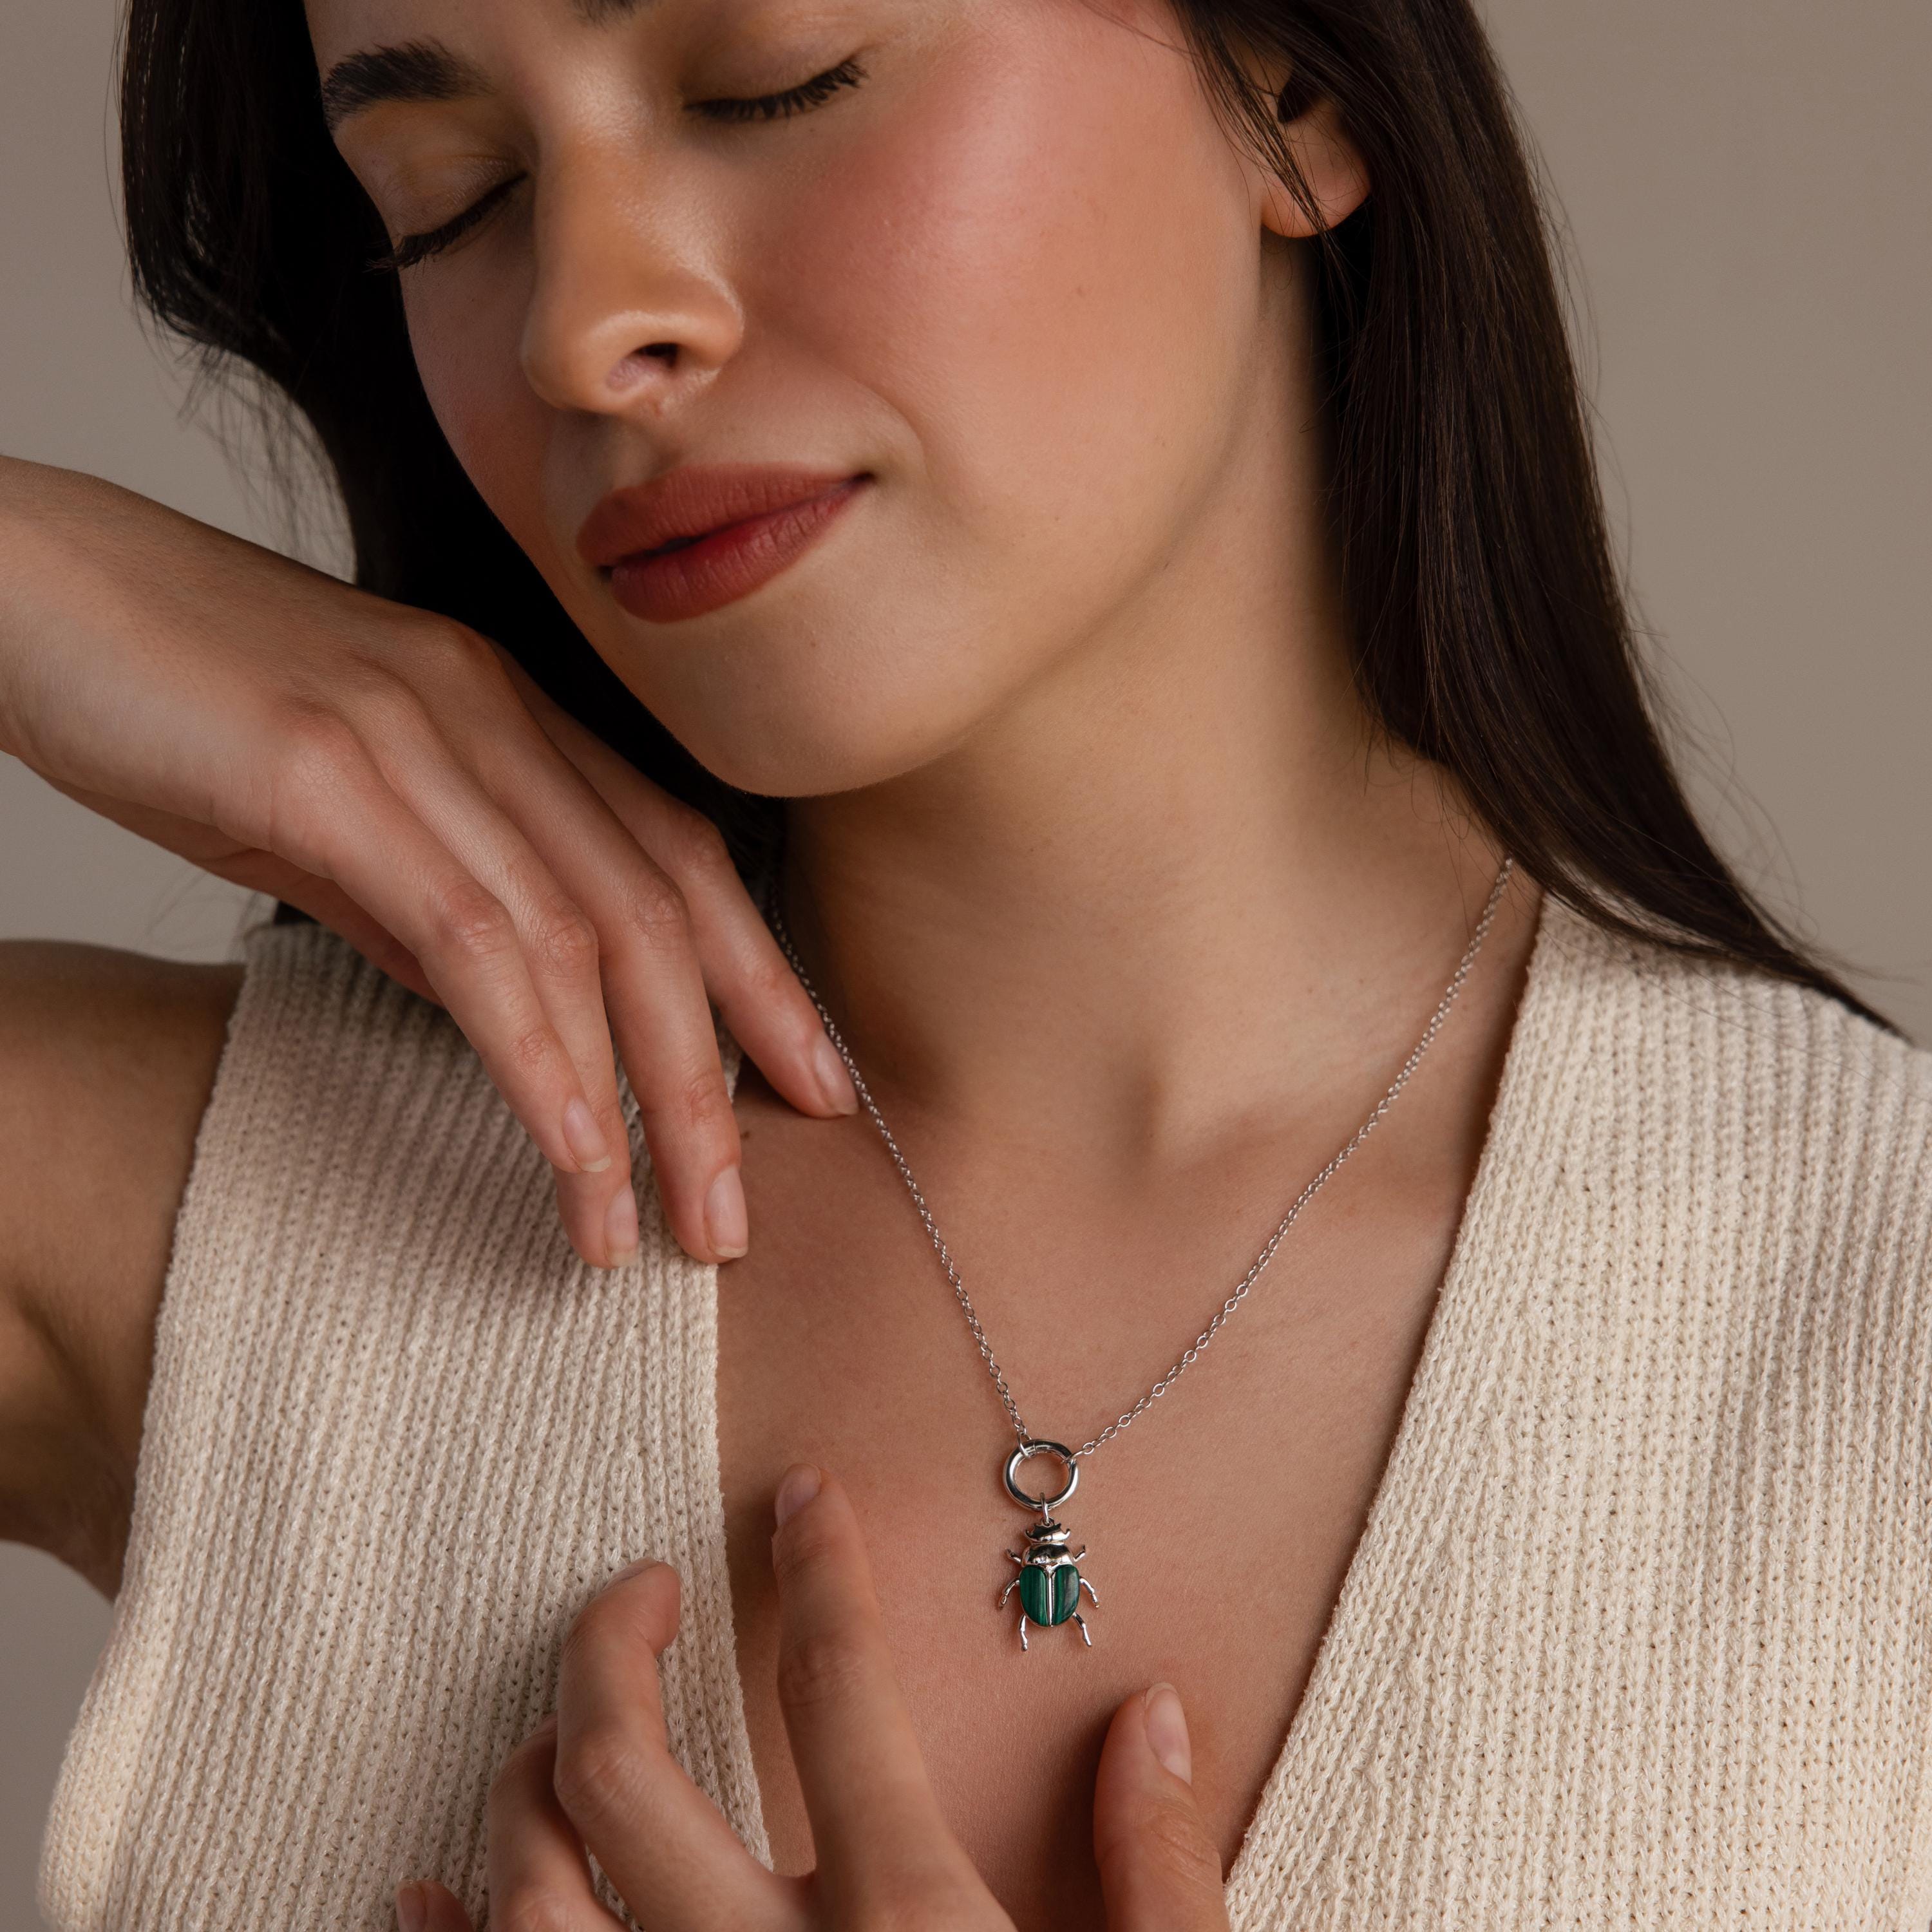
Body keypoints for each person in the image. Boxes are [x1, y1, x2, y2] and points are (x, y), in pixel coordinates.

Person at [2, 0, 1927, 1925]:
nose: (583, 327)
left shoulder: (1876, 1333)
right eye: (451, 197)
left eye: (772, 80)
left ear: (1290, 75)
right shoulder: (205, 1210)